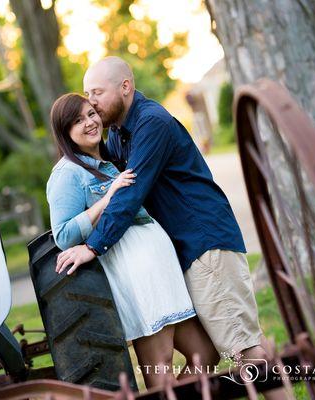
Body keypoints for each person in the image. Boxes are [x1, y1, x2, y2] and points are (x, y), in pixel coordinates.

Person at [55, 57, 285, 399]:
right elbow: (102, 180)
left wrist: (93, 247)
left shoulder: (152, 123)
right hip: (187, 253)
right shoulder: (120, 133)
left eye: (97, 94)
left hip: (205, 243)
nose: (92, 103)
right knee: (224, 346)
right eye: (88, 96)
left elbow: (130, 194)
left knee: (242, 348)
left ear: (126, 87)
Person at [47, 93, 218, 388]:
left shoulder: (109, 160)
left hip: (161, 271)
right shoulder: (67, 173)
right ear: (65, 132)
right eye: (78, 120)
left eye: (91, 114)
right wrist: (107, 198)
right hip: (137, 276)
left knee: (205, 352)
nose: (89, 123)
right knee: (159, 363)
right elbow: (63, 235)